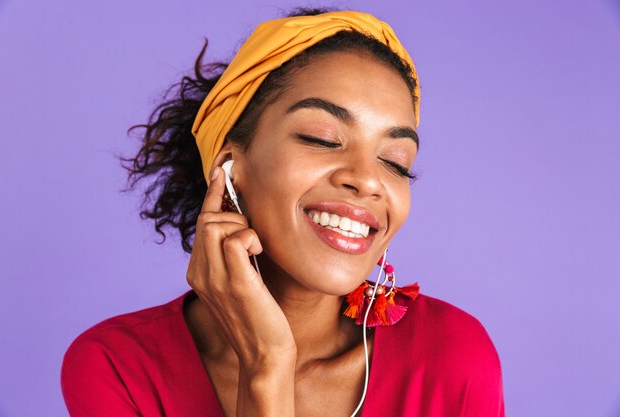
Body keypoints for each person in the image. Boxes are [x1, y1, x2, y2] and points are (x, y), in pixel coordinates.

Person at [60, 7, 505, 417]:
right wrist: (267, 364)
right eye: (321, 138)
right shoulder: (117, 367)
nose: (369, 180)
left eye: (395, 162)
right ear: (228, 168)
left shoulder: (451, 357)